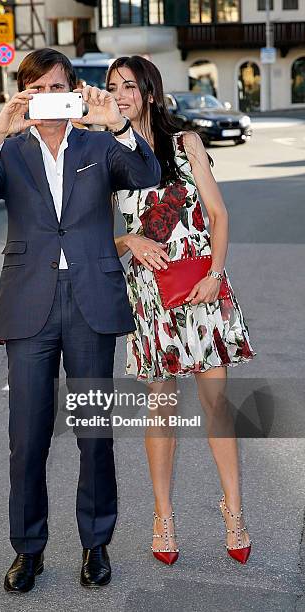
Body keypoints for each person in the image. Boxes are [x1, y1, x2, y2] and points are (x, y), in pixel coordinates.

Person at [0, 48, 160, 592]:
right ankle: (29, 551)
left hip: (90, 301)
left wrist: (117, 123)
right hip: (29, 306)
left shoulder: (98, 144)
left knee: (94, 433)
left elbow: (146, 172)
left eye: (57, 87)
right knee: (27, 436)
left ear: (73, 91)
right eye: (36, 88)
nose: (48, 98)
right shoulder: (12, 151)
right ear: (25, 94)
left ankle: (96, 544)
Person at [108, 56, 256, 566]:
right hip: (150, 299)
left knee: (215, 403)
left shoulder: (185, 142)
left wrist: (215, 275)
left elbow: (217, 213)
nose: (121, 94)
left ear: (149, 91)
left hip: (202, 289)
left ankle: (233, 509)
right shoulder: (106, 154)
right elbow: (97, 238)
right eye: (112, 88)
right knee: (162, 407)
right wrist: (128, 237)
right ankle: (163, 516)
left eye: (129, 86)